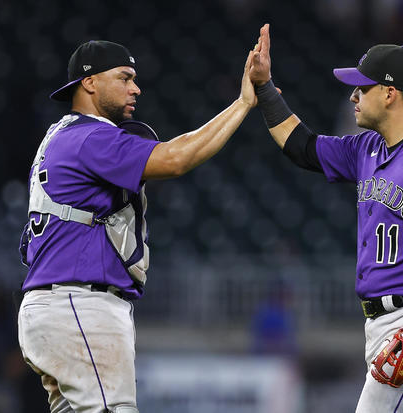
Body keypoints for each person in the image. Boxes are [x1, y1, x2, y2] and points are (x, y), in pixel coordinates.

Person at [249, 24, 403, 412]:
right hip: (382, 323)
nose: (354, 96)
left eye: (363, 87)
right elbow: (302, 148)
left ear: (390, 93)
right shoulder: (367, 149)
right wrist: (264, 88)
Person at [17, 40, 256, 413]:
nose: (135, 88)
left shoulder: (61, 135)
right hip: (80, 304)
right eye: (124, 77)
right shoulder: (91, 137)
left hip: (55, 305)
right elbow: (175, 159)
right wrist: (242, 104)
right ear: (90, 83)